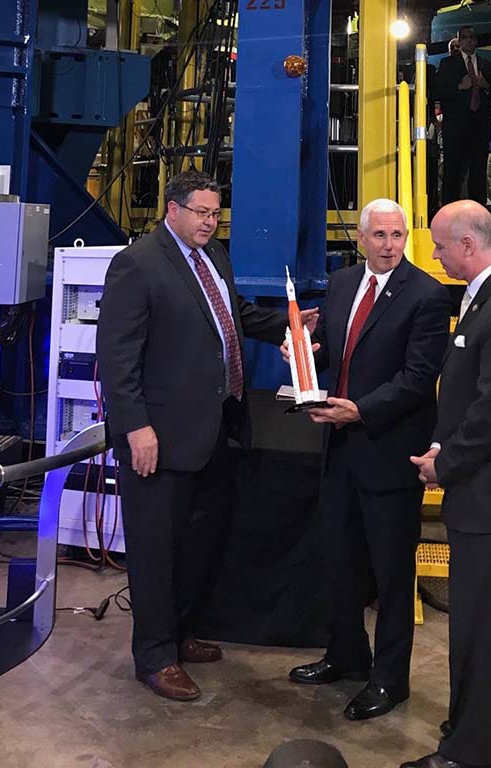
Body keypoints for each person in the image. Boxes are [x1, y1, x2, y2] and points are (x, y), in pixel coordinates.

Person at [96, 170, 316, 701]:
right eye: (201, 212)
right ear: (172, 210)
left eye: (216, 214)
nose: (210, 222)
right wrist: (136, 429)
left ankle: (179, 632)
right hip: (160, 437)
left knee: (198, 543)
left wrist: (288, 324)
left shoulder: (213, 257)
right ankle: (153, 656)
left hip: (215, 428)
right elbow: (117, 357)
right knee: (155, 548)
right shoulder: (137, 264)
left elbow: (231, 316)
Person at [286, 199, 451, 721]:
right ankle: (346, 655)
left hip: (389, 453)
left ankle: (389, 679)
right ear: (360, 238)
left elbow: (419, 377)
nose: (389, 245)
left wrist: (359, 410)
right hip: (339, 452)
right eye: (379, 235)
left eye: (398, 235)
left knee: (393, 575)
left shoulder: (426, 294)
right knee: (339, 559)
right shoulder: (340, 285)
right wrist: (306, 355)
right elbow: (336, 353)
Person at [403, 201, 491, 768]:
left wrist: (445, 464)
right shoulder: (485, 295)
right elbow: (470, 394)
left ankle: (469, 750)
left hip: (487, 490)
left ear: (466, 245)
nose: (433, 256)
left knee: (476, 625)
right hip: (486, 484)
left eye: (438, 246)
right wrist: (442, 442)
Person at [436, 26, 491, 206]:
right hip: (455, 127)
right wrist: (459, 87)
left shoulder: (486, 65)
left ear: (476, 40)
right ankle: (449, 212)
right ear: (459, 40)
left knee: (478, 173)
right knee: (452, 172)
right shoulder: (447, 64)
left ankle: (477, 213)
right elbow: (437, 91)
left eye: (471, 37)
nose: (468, 41)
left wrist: (486, 84)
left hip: (479, 127)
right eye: (464, 38)